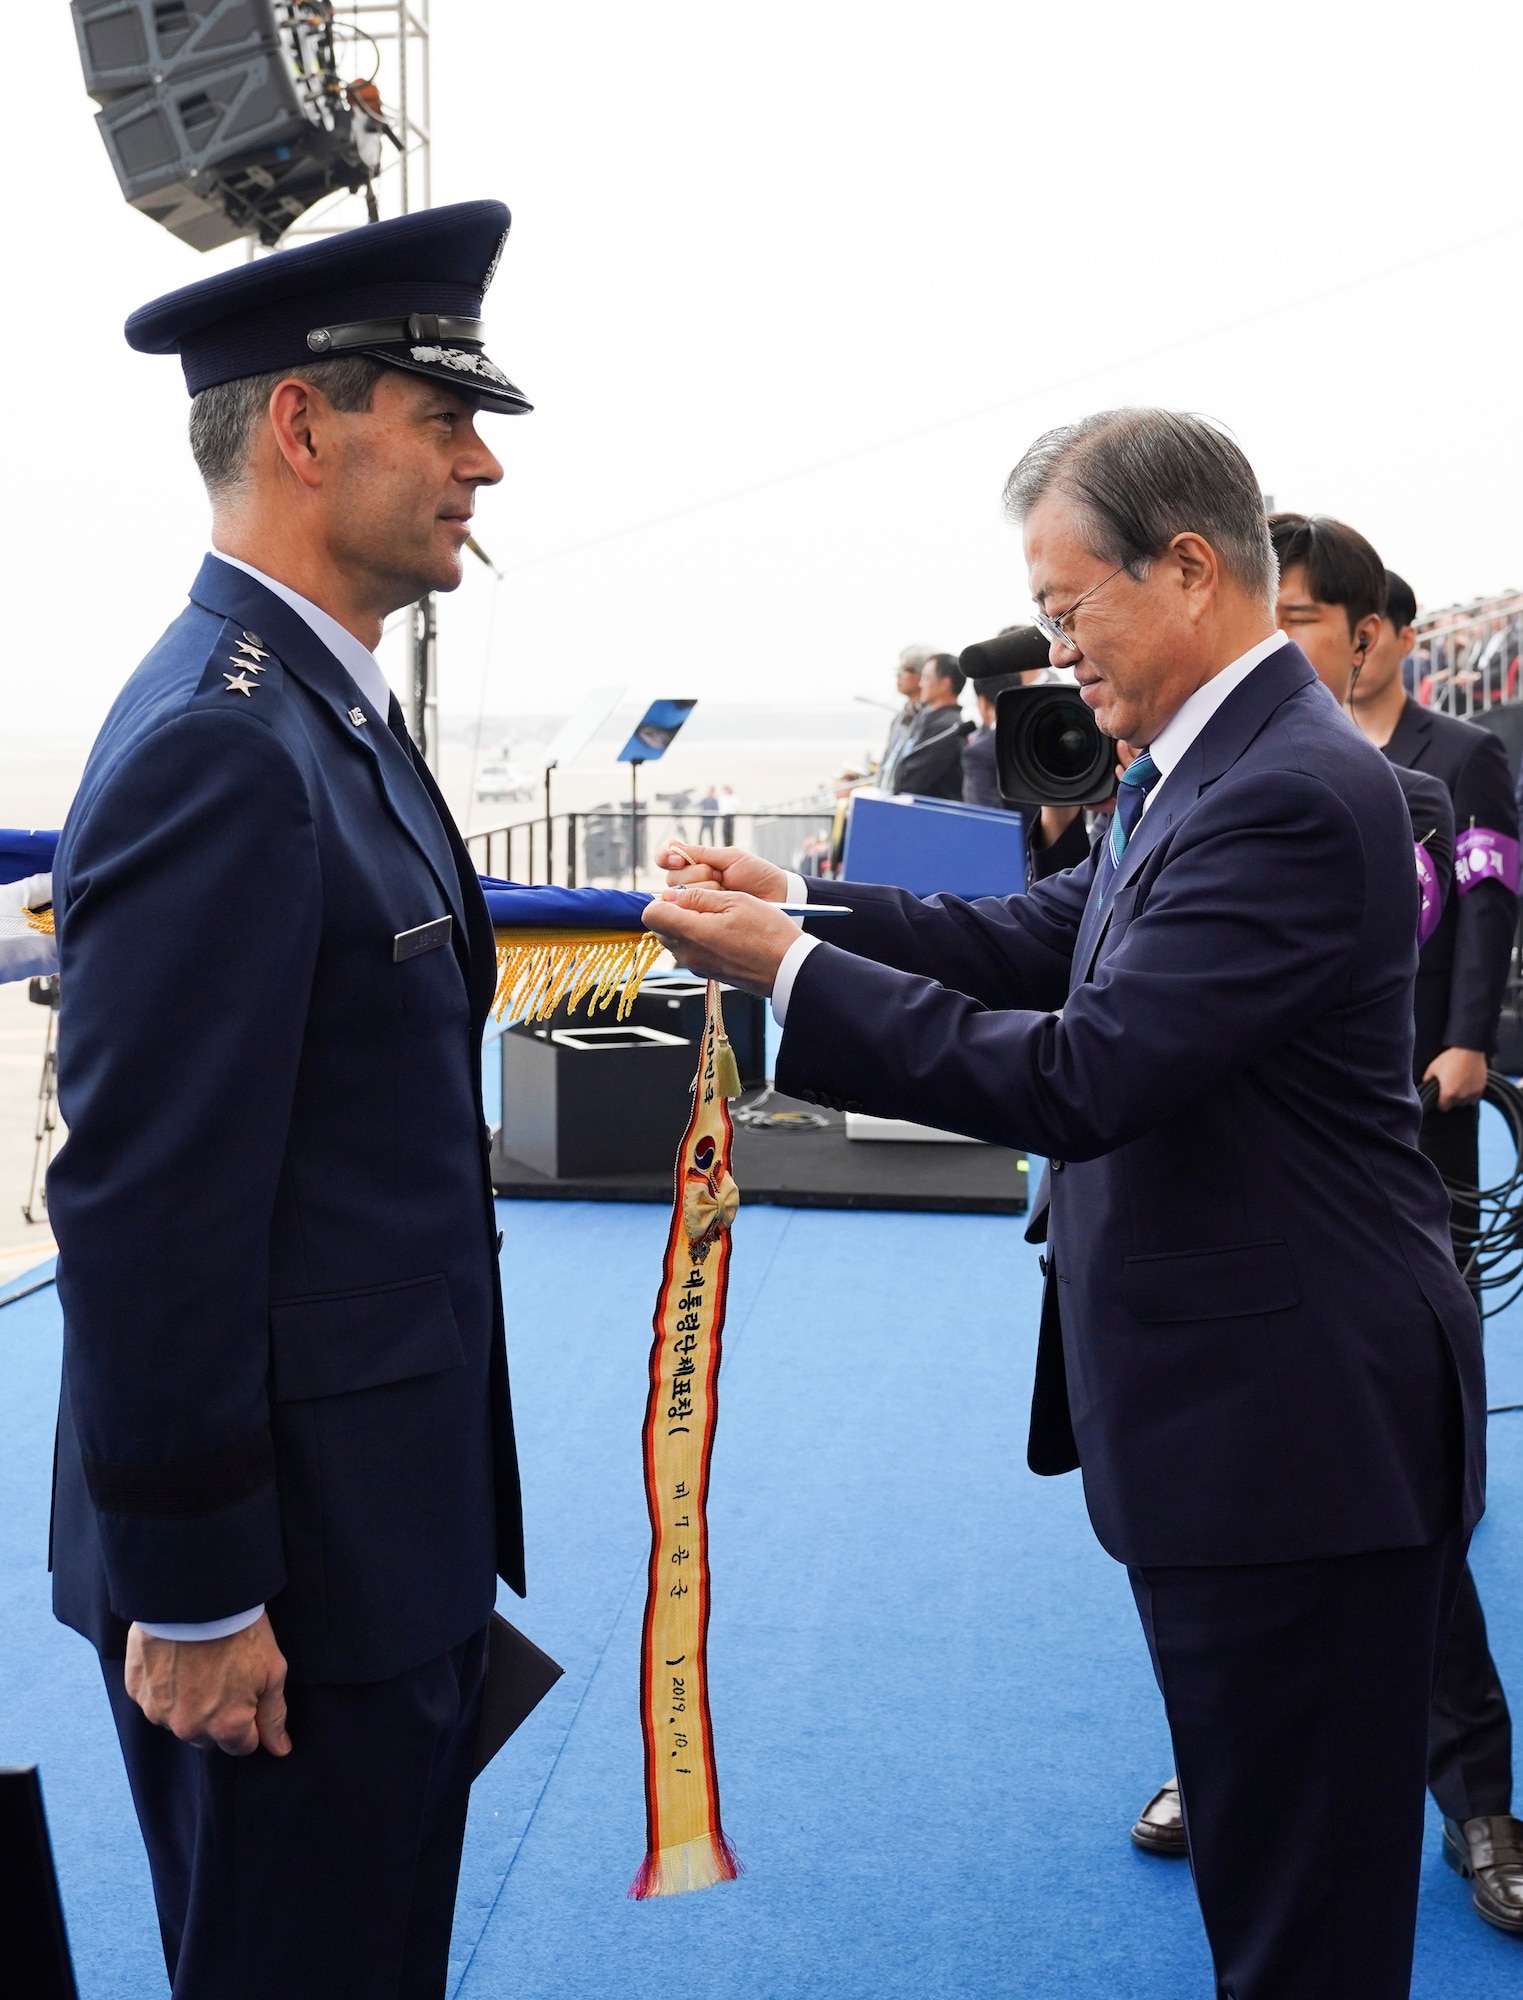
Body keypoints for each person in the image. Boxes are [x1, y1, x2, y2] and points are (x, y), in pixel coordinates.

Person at [642, 408, 1484, 2000]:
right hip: (1245, 1419)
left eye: (1062, 610)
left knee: (1300, 1917)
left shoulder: (1287, 789)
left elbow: (1081, 1073)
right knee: (1263, 1856)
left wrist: (792, 978)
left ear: (1182, 570)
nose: (1052, 656)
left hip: (1301, 1434)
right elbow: (1046, 940)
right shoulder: (1203, 763)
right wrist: (803, 905)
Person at [47, 201, 532, 1998]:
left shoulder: (324, 713)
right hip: (278, 1584)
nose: (480, 465)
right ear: (302, 430)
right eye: (442, 418)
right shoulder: (220, 746)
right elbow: (147, 1208)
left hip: (376, 1536)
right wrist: (191, 1594)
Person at [959, 623, 1093, 879]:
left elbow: (984, 827)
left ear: (983, 703)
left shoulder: (981, 751)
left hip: (1012, 872)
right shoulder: (1066, 715)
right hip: (1055, 871)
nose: (1061, 655)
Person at [890, 652, 973, 799]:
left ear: (944, 685)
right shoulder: (930, 720)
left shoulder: (945, 728)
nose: (921, 684)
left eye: (926, 678)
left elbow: (909, 781)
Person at [876, 643, 932, 790]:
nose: (898, 675)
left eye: (905, 669)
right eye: (898, 669)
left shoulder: (930, 721)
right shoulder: (899, 718)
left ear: (922, 674)